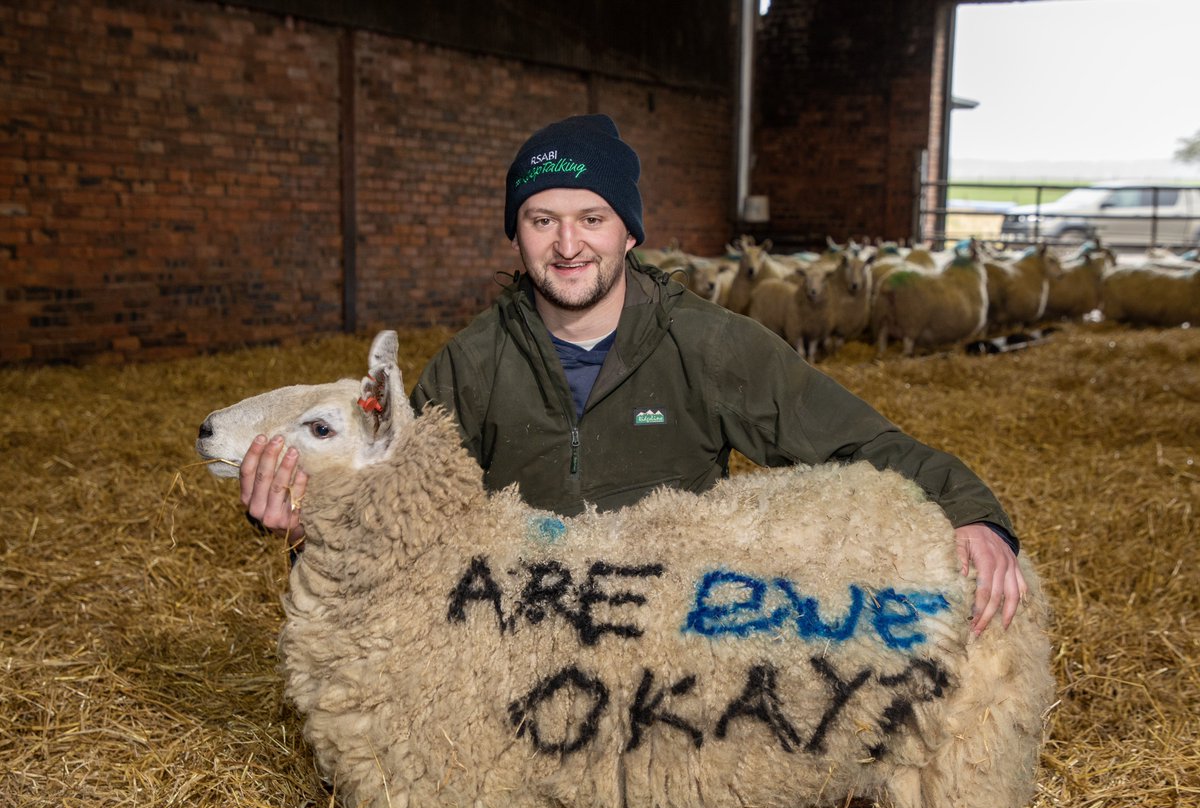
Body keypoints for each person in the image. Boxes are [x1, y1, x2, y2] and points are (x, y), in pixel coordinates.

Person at [240, 114, 1026, 634]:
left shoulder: (712, 346)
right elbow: (397, 520)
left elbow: (857, 443)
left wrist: (973, 515)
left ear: (628, 232)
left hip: (675, 635)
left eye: (592, 219)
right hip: (527, 636)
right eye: (541, 220)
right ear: (516, 237)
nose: (568, 244)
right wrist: (311, 524)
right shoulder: (470, 367)